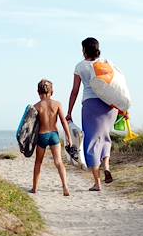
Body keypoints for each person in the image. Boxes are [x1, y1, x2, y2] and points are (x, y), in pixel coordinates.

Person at [66, 38, 118, 191]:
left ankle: (97, 183)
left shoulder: (80, 66)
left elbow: (74, 91)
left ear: (84, 50)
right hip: (110, 105)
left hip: (91, 105)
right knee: (106, 138)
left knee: (92, 142)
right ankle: (106, 165)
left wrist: (69, 112)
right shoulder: (105, 63)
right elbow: (116, 84)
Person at [32, 79, 72, 196]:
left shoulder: (36, 106)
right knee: (58, 162)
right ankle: (65, 187)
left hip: (42, 135)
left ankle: (34, 188)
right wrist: (69, 137)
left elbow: (31, 127)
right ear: (52, 92)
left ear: (38, 92)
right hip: (54, 135)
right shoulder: (57, 104)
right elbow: (64, 122)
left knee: (38, 162)